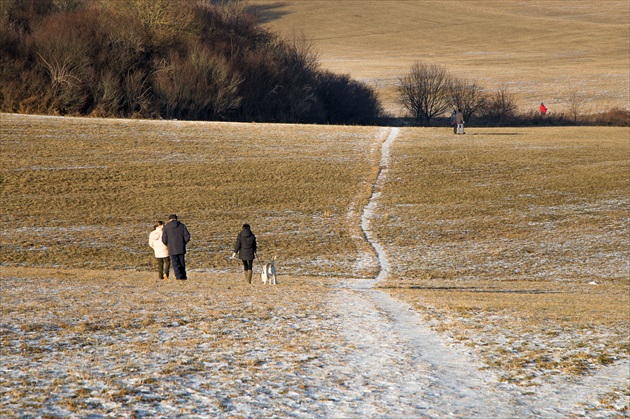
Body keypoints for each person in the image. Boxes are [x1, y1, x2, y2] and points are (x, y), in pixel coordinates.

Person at [161, 214, 191, 280]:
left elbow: (164, 239)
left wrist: (168, 244)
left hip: (172, 248)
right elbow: (187, 236)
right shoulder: (182, 226)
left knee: (175, 263)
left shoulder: (167, 227)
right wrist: (183, 243)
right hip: (181, 247)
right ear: (176, 219)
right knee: (182, 262)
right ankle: (183, 276)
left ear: (170, 219)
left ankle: (178, 276)